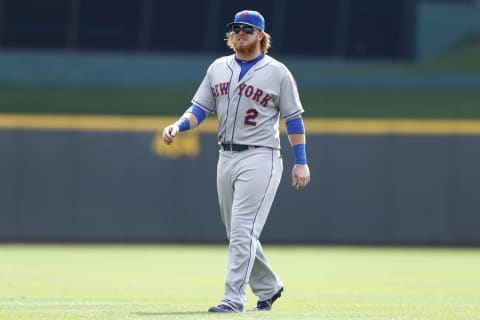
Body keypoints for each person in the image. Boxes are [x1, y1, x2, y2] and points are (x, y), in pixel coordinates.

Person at [162, 9, 310, 313]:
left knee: (242, 231)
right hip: (225, 156)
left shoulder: (277, 72)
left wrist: (301, 161)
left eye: (247, 28)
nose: (240, 32)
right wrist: (178, 125)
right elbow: (200, 109)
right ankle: (269, 286)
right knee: (237, 233)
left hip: (261, 156)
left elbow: (293, 120)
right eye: (235, 28)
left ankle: (233, 300)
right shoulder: (218, 68)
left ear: (260, 35)